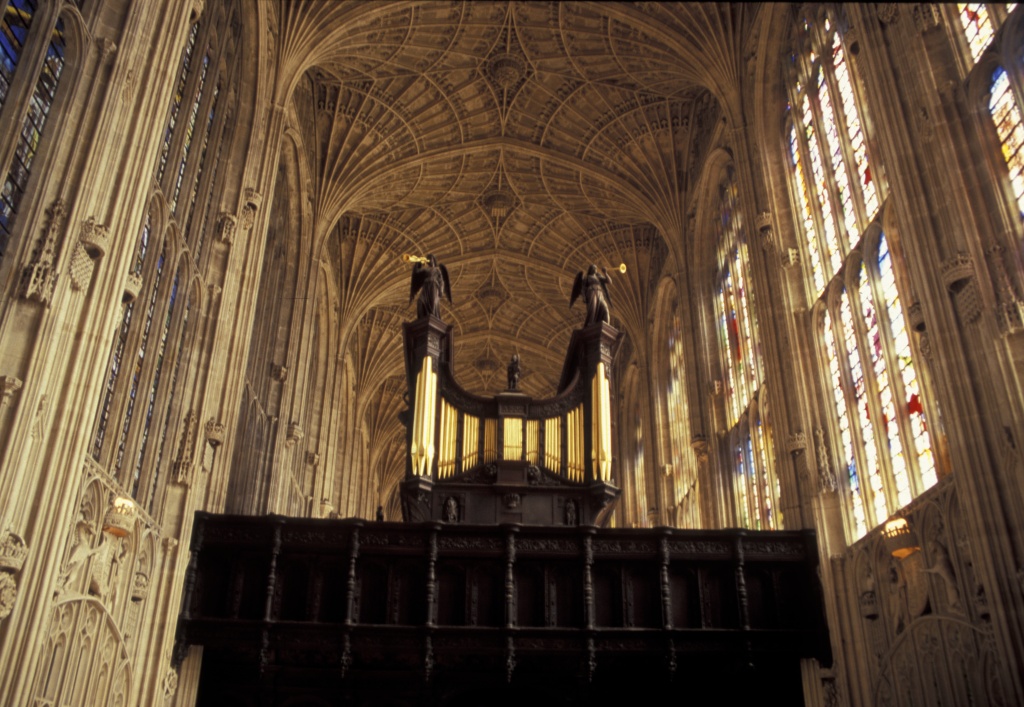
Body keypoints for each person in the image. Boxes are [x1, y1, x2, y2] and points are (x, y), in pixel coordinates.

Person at [409, 254, 451, 318]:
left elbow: (441, 281)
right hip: (426, 287)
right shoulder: (426, 270)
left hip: (433, 286)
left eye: (429, 259)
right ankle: (423, 317)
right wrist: (418, 261)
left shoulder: (437, 270)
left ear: (433, 260)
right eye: (427, 259)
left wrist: (440, 290)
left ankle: (432, 317)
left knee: (433, 303)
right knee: (420, 301)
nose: (428, 261)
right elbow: (417, 272)